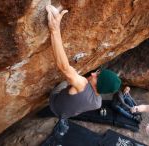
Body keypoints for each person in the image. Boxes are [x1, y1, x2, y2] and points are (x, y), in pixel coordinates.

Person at [45, 4, 121, 140]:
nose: (93, 73)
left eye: (97, 76)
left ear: (99, 85)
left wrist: (54, 30)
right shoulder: (97, 103)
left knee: (71, 73)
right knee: (74, 78)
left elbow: (64, 67)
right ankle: (63, 121)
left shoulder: (83, 84)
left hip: (54, 102)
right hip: (64, 113)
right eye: (97, 72)